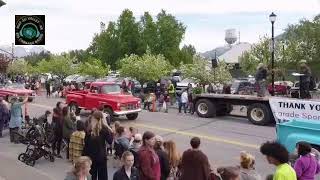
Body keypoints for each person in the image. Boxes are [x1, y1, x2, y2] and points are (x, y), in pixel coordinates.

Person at [82, 110, 113, 180]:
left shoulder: (89, 129)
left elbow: (86, 142)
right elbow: (110, 141)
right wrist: (109, 128)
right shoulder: (104, 129)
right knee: (102, 175)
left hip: (91, 156)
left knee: (92, 175)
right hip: (101, 156)